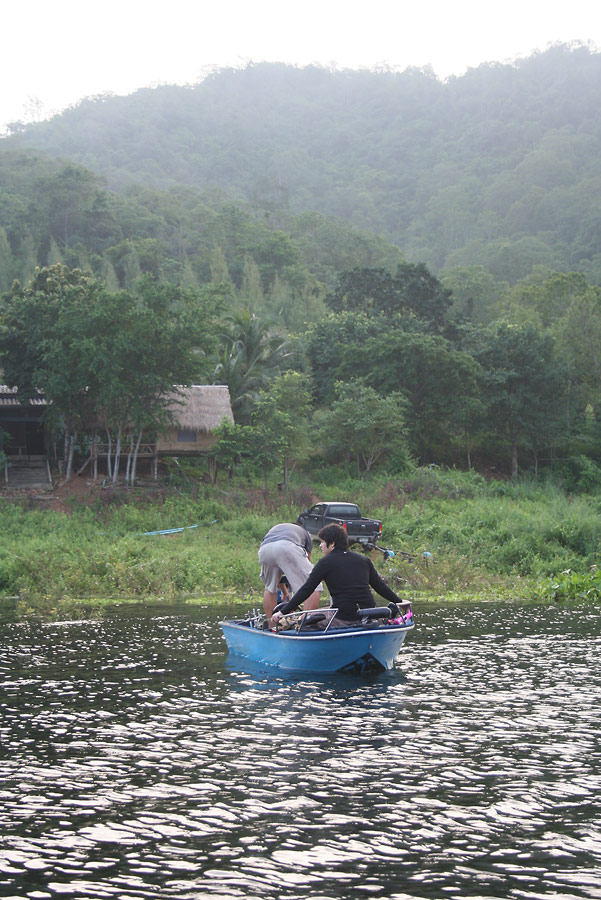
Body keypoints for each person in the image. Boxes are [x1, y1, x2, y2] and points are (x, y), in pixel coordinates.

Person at [271, 523, 405, 628]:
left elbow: (307, 590)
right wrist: (400, 602)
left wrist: (283, 612)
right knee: (324, 611)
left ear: (332, 543)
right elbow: (380, 587)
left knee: (303, 619)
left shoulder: (325, 563)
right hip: (369, 615)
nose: (321, 546)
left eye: (323, 542)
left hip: (344, 618)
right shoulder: (364, 560)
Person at [259, 522, 322, 618]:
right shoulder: (305, 533)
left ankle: (272, 626)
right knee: (314, 585)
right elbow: (307, 562)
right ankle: (305, 625)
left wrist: (285, 592)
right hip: (287, 546)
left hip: (264, 549)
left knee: (270, 588)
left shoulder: (276, 528)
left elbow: (278, 573)